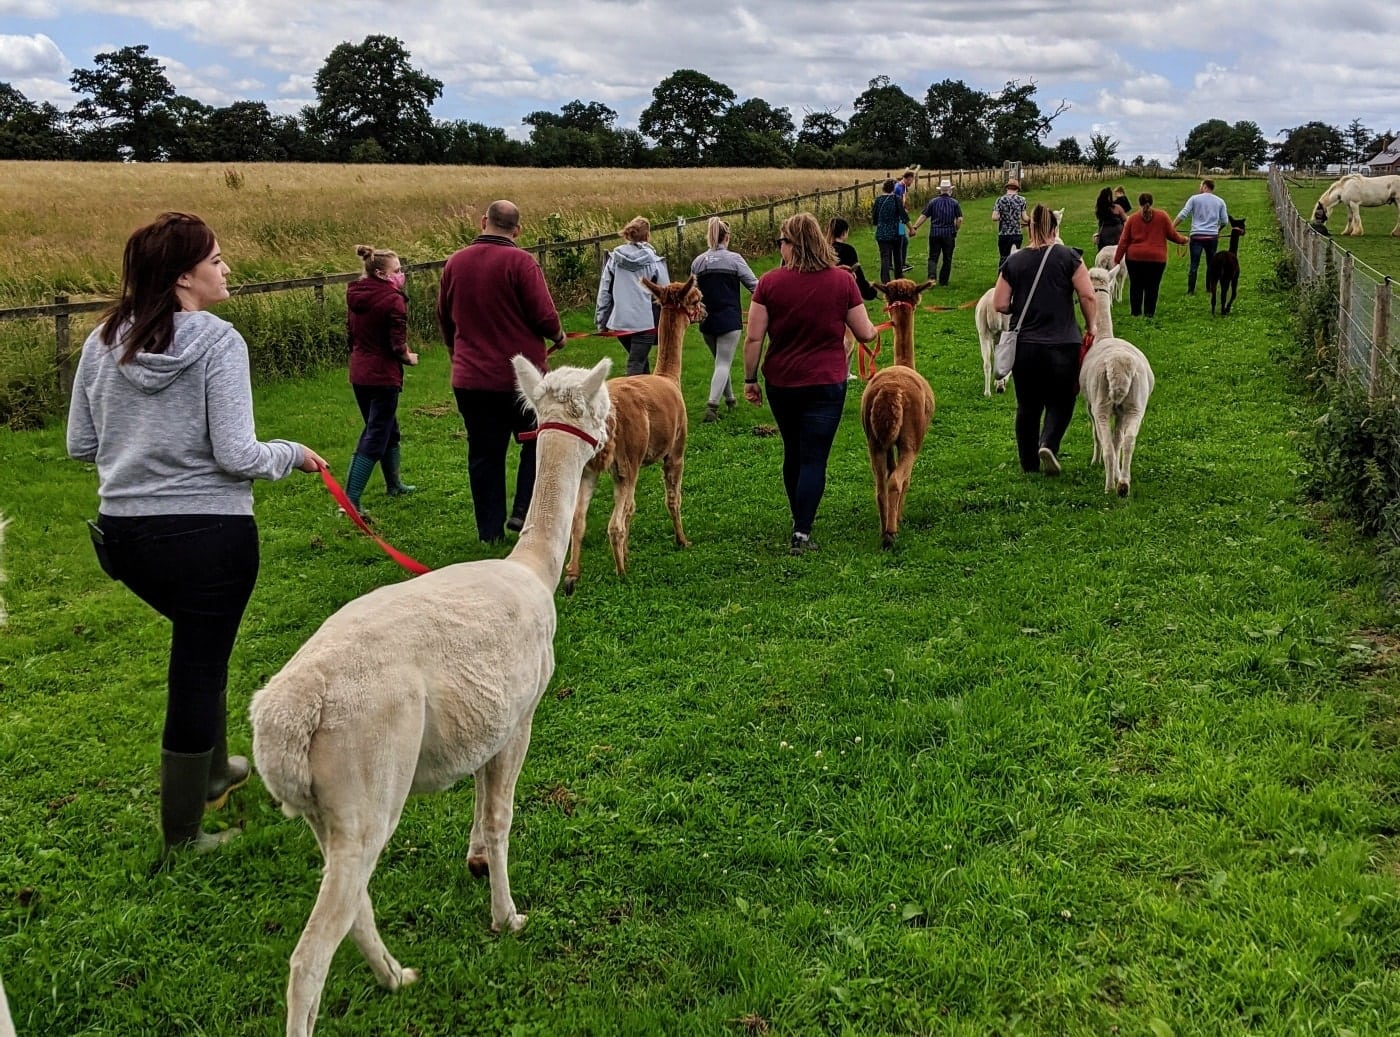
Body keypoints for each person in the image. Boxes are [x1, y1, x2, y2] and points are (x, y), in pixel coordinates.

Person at [65, 211, 327, 857]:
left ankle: (213, 771)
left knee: (200, 652)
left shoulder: (102, 341)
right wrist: (291, 452)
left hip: (125, 541)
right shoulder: (218, 341)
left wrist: (140, 449)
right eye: (215, 259)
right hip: (210, 538)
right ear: (185, 277)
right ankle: (184, 832)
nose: (226, 267)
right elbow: (237, 453)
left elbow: (80, 444)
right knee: (196, 669)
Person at [742, 213, 879, 555]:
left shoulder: (769, 284)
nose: (780, 248)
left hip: (782, 381)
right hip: (826, 381)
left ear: (792, 245)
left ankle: (798, 517)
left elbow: (754, 338)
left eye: (781, 242)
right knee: (814, 456)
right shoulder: (842, 282)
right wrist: (876, 330)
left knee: (793, 450)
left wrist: (749, 378)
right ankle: (802, 531)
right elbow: (865, 332)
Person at [438, 199, 565, 542]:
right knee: (534, 443)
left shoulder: (455, 263)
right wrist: (558, 335)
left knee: (484, 453)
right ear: (517, 230)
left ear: (484, 221)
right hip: (519, 381)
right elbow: (542, 313)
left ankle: (489, 531)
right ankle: (523, 511)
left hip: (471, 378)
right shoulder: (521, 263)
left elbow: (445, 315)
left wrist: (455, 351)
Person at [993, 204, 1097, 477]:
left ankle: (1029, 463)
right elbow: (1087, 295)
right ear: (1054, 228)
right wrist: (1092, 325)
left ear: (1029, 228)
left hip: (1026, 345)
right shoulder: (1069, 257)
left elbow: (1000, 303)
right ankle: (1049, 443)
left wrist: (1024, 304)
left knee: (1027, 405)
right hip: (1064, 342)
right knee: (1062, 400)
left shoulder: (1014, 262)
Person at [343, 244, 419, 515]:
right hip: (383, 375)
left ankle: (394, 484)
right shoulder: (393, 299)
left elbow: (351, 333)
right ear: (382, 274)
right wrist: (408, 357)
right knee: (375, 434)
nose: (401, 274)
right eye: (397, 271)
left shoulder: (355, 294)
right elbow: (396, 344)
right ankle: (350, 500)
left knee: (388, 428)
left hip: (360, 372)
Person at [691, 217, 758, 422]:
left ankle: (730, 400)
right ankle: (712, 407)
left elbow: (692, 291)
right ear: (726, 237)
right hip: (729, 318)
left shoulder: (698, 262)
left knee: (720, 361)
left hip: (707, 320)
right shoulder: (735, 259)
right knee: (723, 362)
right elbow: (755, 286)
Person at [596, 216, 669, 375]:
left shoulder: (614, 260)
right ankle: (629, 398)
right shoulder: (653, 261)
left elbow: (604, 292)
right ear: (647, 235)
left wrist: (601, 321)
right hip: (644, 323)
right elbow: (666, 292)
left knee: (640, 361)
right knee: (636, 363)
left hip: (621, 322)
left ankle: (649, 398)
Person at [1114, 191, 1189, 318]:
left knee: (1136, 286)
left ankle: (1135, 313)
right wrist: (1184, 240)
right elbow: (1172, 234)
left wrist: (1117, 259)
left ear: (1139, 203)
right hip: (1156, 259)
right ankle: (1149, 314)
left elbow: (1123, 241)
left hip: (1135, 258)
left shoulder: (1132, 219)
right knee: (1152, 287)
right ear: (1151, 203)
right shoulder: (1162, 216)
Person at [826, 217, 878, 379]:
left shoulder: (823, 249)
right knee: (849, 339)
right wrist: (870, 292)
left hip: (826, 297)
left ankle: (839, 370)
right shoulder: (848, 250)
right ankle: (843, 372)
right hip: (846, 297)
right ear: (844, 232)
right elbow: (858, 276)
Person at [1174, 179, 1231, 294]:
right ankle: (1209, 288)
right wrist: (1218, 229)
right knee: (1211, 264)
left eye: (1201, 186)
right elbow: (1225, 220)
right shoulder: (1220, 201)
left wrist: (1171, 226)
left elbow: (1183, 214)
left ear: (1205, 186)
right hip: (1212, 237)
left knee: (1194, 264)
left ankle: (1190, 291)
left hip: (1196, 236)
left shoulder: (1194, 199)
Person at [910, 178, 964, 285]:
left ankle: (932, 278)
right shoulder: (954, 203)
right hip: (948, 234)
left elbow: (924, 216)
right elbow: (960, 219)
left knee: (933, 257)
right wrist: (956, 228)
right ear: (950, 190)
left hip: (935, 233)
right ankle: (943, 281)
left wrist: (915, 227)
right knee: (947, 258)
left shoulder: (933, 202)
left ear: (940, 190)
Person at [871, 179, 910, 282]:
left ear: (883, 188)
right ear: (893, 188)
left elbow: (874, 218)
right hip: (896, 233)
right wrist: (911, 228)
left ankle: (885, 282)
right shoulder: (896, 199)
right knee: (897, 257)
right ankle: (899, 279)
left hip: (882, 233)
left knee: (885, 258)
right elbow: (903, 216)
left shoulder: (878, 200)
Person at [992, 178, 1029, 269]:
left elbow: (994, 217)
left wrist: (1004, 216)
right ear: (1017, 189)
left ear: (1007, 188)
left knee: (1004, 257)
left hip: (1004, 234)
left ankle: (1001, 278)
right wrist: (1033, 221)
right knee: (1015, 257)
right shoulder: (1022, 200)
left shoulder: (1000, 200)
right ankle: (1014, 279)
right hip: (1016, 233)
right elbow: (1025, 218)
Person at [894, 168, 917, 272]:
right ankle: (900, 264)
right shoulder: (899, 188)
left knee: (902, 240)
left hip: (900, 219)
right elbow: (897, 204)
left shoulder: (903, 187)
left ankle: (898, 263)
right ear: (907, 179)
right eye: (912, 180)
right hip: (899, 220)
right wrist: (903, 211)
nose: (912, 182)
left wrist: (905, 208)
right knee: (903, 240)